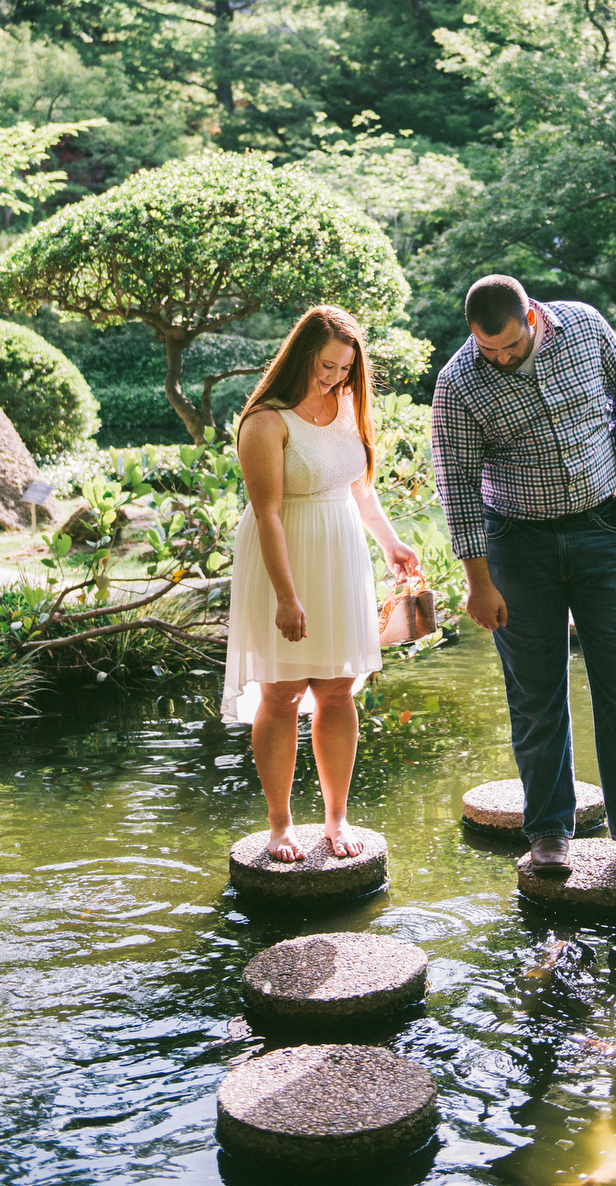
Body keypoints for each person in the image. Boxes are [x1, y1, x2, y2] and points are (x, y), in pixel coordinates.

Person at [431, 274, 616, 878]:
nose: (502, 359)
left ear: (532, 317)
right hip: (518, 544)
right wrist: (477, 582)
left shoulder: (586, 327)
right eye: (489, 350)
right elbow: (456, 488)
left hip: (603, 529)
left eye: (510, 347)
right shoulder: (459, 382)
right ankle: (548, 833)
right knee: (536, 694)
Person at [222, 305, 418, 860]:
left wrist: (391, 543)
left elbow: (360, 489)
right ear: (302, 354)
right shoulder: (265, 420)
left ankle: (336, 820)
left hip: (341, 553)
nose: (334, 378)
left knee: (336, 690)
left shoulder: (350, 404)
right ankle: (280, 825)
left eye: (344, 369)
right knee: (281, 695)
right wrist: (286, 597)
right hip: (282, 556)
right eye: (327, 366)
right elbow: (268, 515)